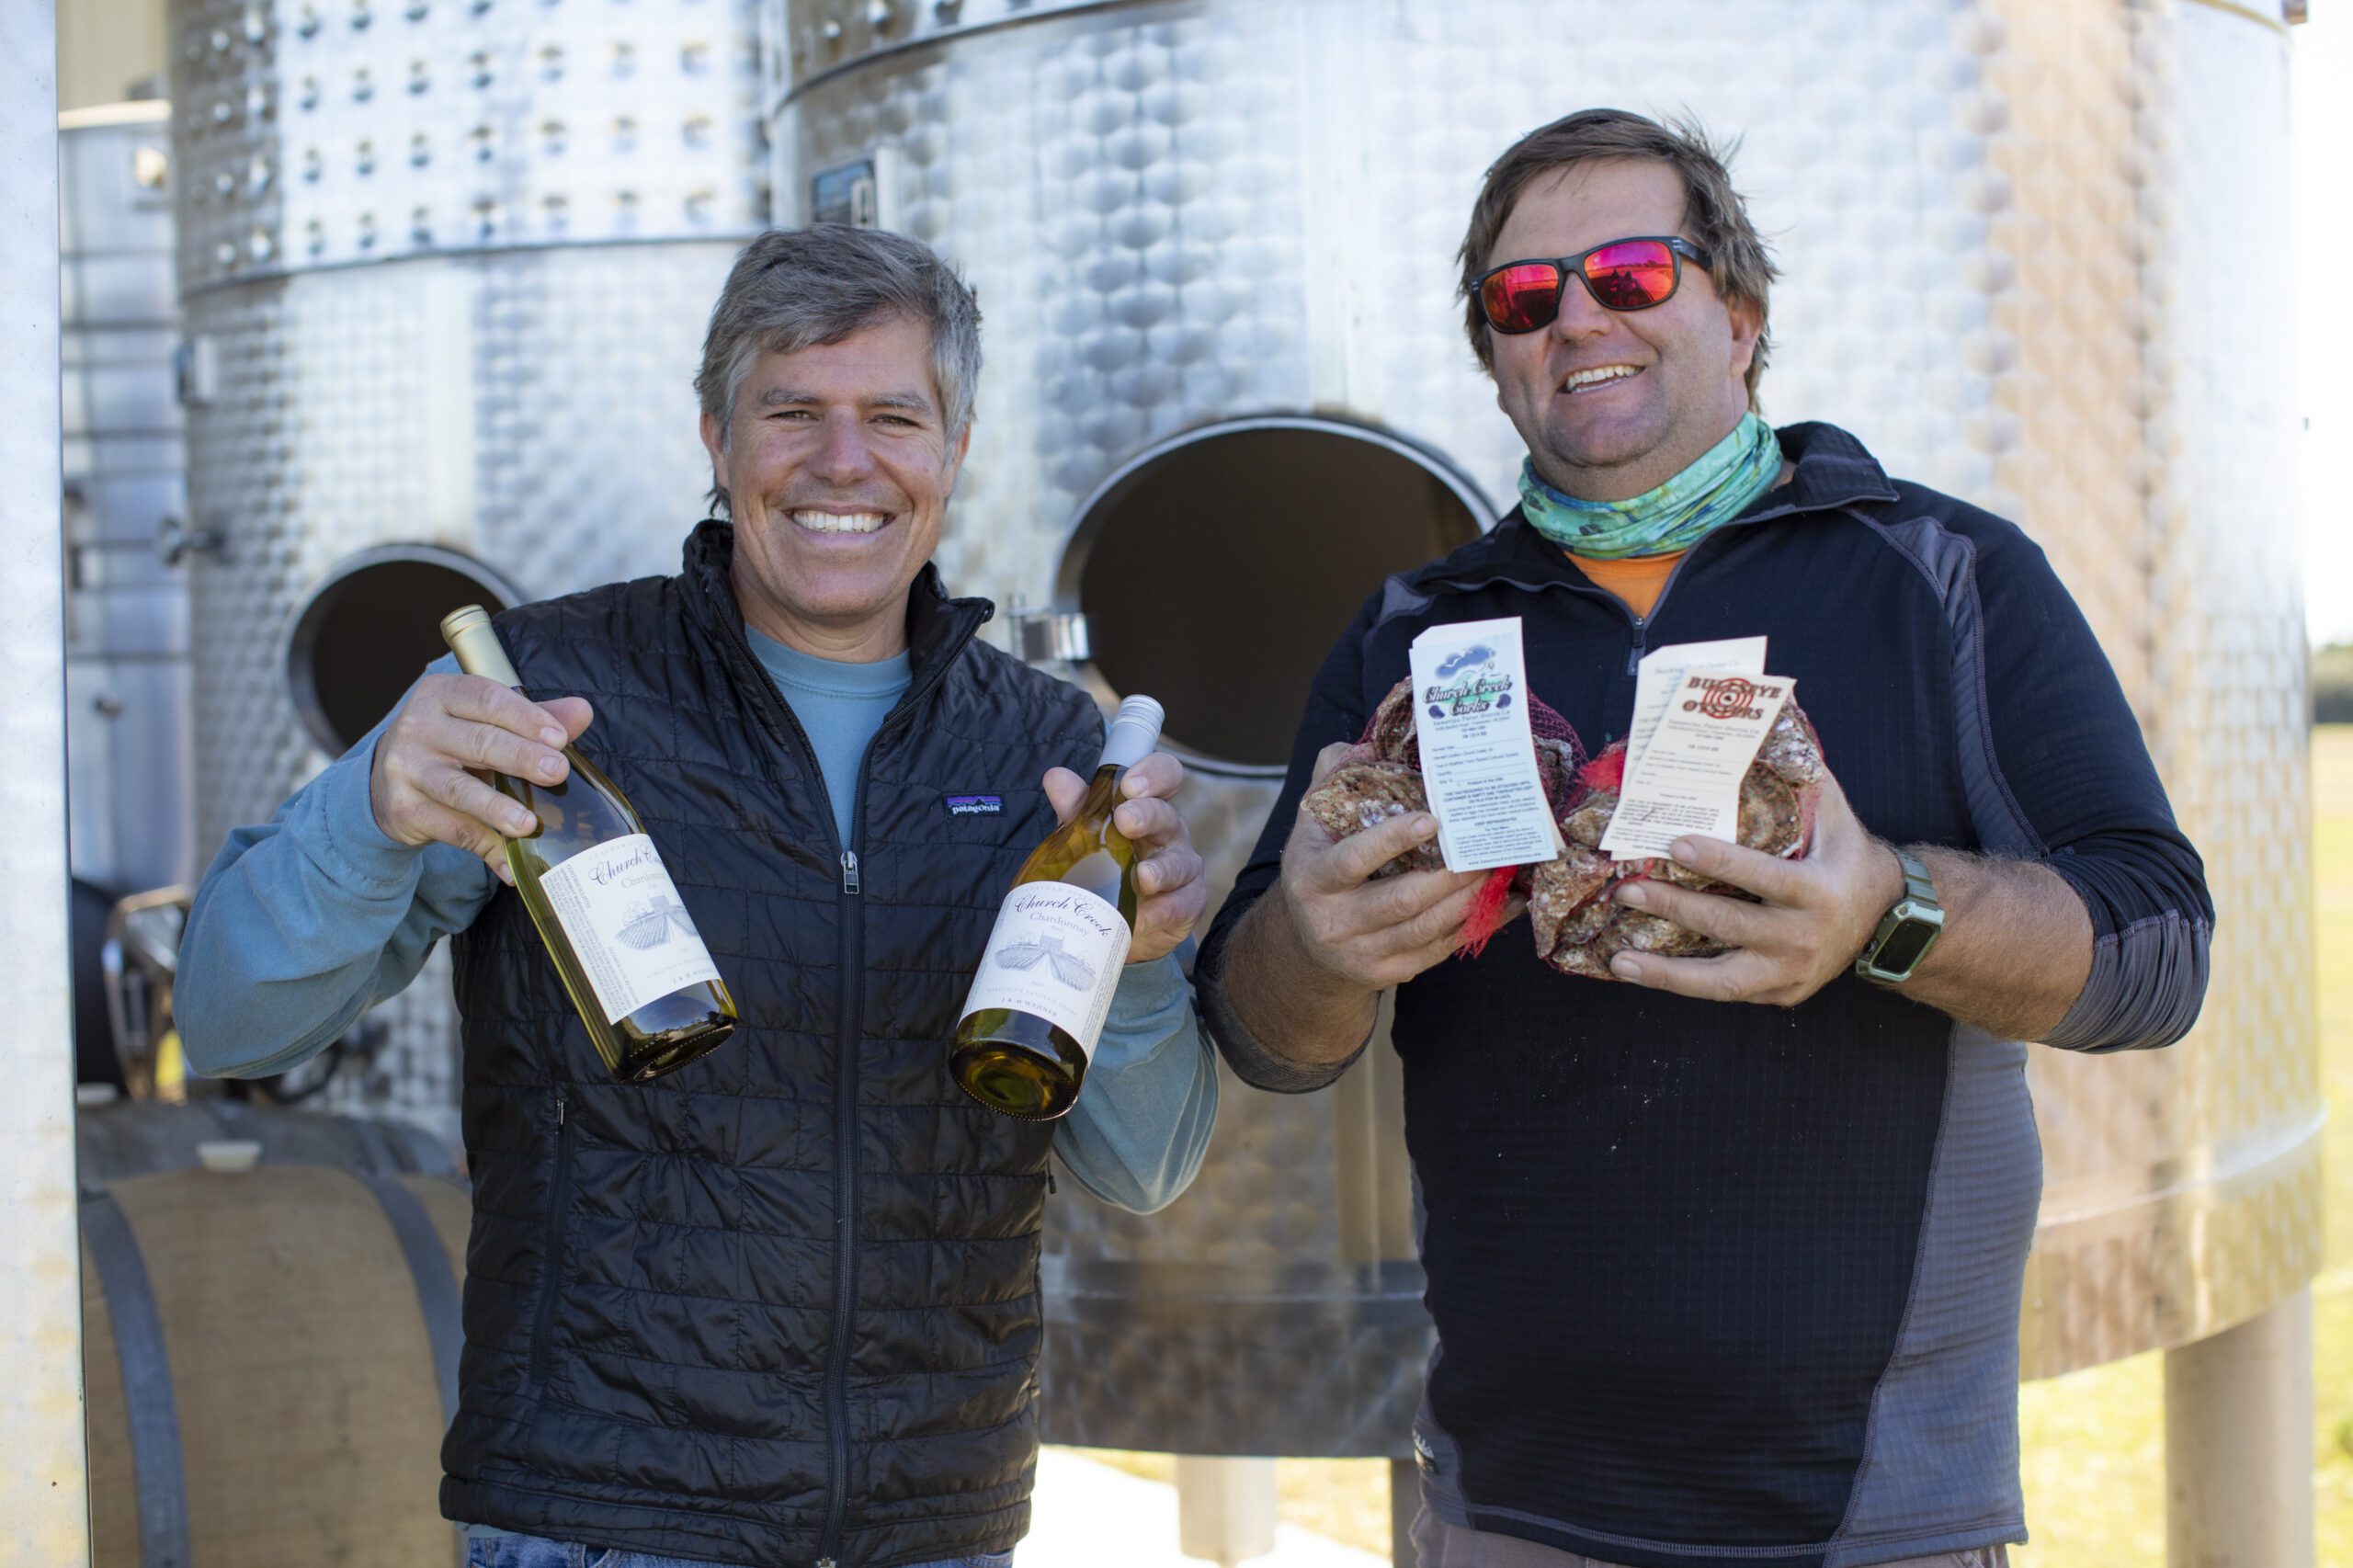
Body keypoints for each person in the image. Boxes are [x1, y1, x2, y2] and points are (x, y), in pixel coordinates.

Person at [1197, 109, 2210, 1568]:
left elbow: (2158, 950)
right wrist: (1311, 940)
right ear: (1493, 354)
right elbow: (1262, 1030)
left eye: (1629, 271)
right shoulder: (1417, 632)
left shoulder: (1941, 576)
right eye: (1525, 297)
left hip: (1868, 1518)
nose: (1579, 316)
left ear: (1738, 308)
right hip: (1505, 1511)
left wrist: (1887, 912)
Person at [177, 224, 1221, 1568]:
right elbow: (227, 1020)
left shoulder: (1042, 752)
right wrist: (369, 808)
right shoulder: (542, 700)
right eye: (792, 411)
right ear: (718, 440)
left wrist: (1136, 963)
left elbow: (1143, 1167)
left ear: (954, 451)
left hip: (936, 1521)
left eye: (893, 416)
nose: (844, 463)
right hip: (606, 1521)